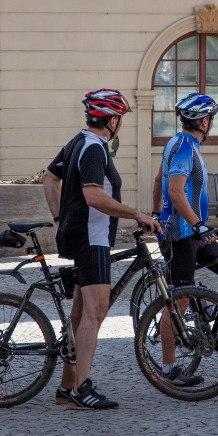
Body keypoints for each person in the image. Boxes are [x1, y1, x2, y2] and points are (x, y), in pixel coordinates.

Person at [40, 89, 161, 410]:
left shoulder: (78, 142)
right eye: (119, 118)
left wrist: (59, 219)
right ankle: (82, 389)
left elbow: (49, 178)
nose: (120, 123)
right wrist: (136, 214)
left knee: (81, 314)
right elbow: (93, 196)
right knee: (95, 311)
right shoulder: (94, 149)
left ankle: (67, 386)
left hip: (80, 235)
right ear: (111, 120)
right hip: (91, 238)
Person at [151, 92, 218, 379]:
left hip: (191, 231)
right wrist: (198, 225)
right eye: (211, 118)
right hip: (180, 234)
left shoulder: (180, 143)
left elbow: (158, 180)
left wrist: (155, 212)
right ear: (204, 122)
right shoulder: (184, 148)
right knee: (179, 299)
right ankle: (169, 367)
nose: (212, 123)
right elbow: (175, 191)